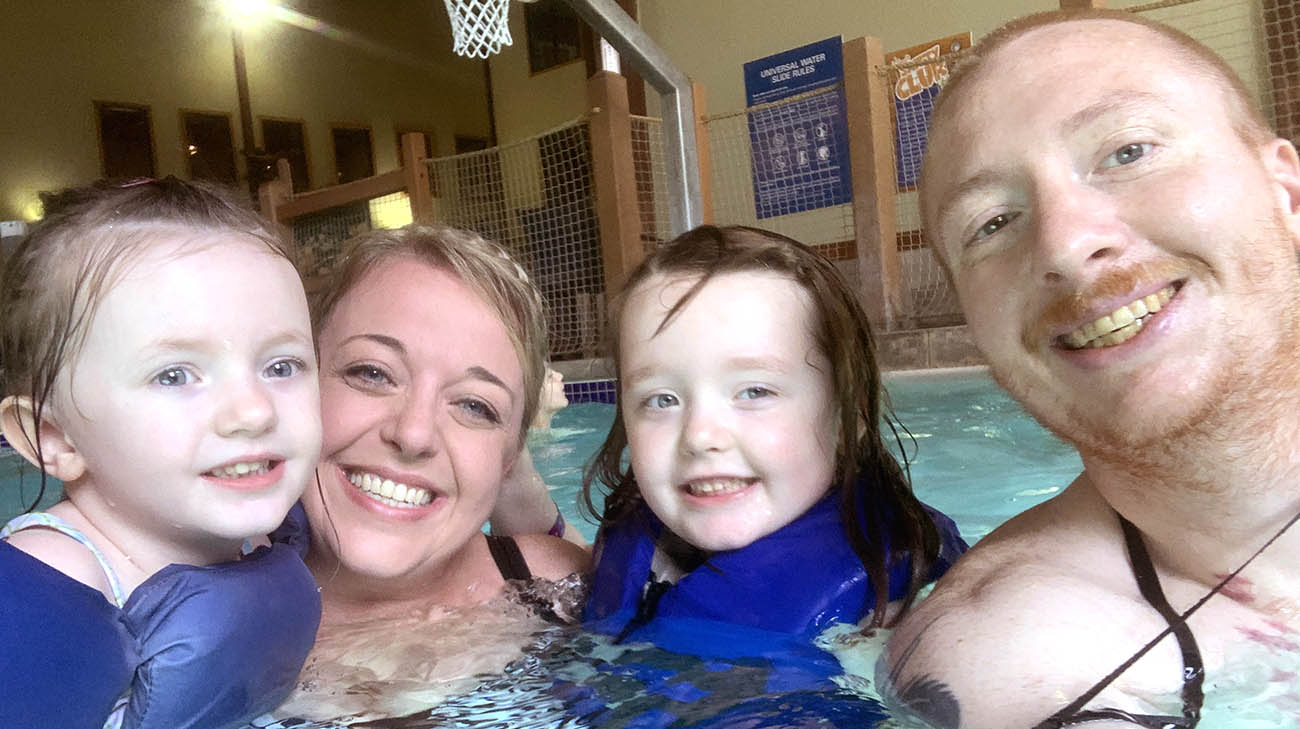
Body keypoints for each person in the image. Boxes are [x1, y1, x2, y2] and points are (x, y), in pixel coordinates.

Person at [884, 10, 1300, 729]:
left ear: (1286, 192)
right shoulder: (1024, 654)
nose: (1067, 244)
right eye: (991, 223)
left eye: (1128, 151)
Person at [0, 177, 323, 729]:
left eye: (281, 366)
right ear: (53, 439)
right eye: (174, 375)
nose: (254, 411)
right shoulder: (45, 594)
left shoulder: (275, 527)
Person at [581, 225, 968, 657]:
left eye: (755, 391)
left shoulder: (895, 617)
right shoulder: (638, 541)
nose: (700, 436)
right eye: (661, 399)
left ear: (848, 418)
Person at [266, 224, 589, 724]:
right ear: (297, 382)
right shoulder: (176, 615)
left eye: (476, 407)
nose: (413, 434)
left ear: (508, 459)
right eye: (372, 373)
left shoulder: (566, 586)